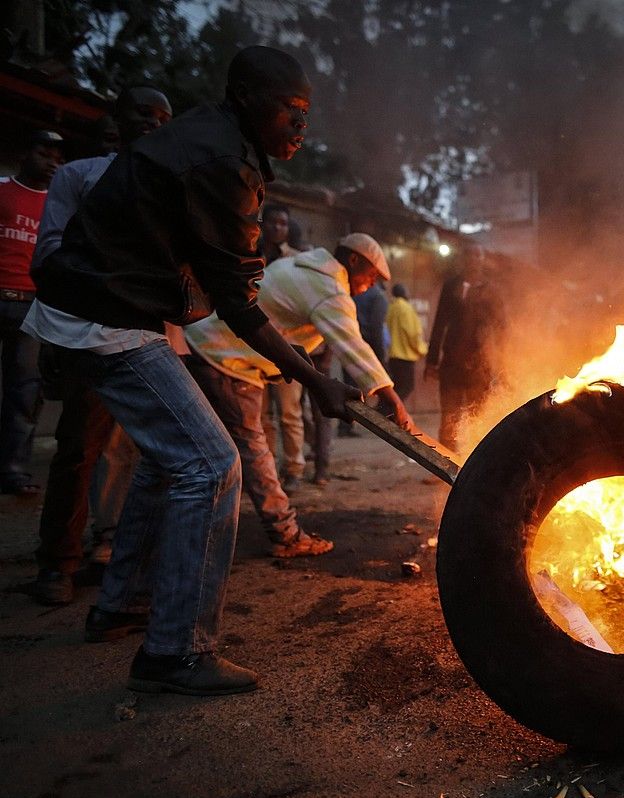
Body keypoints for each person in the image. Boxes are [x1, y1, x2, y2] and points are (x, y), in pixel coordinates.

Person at [25, 46, 359, 695]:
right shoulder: (219, 158)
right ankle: (176, 650)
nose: (300, 127)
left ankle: (122, 601)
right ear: (246, 99)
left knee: (164, 461)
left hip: (121, 306)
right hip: (106, 310)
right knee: (212, 464)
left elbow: (222, 278)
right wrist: (315, 378)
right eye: (290, 111)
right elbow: (237, 301)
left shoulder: (216, 143)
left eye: (305, 115)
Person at [30, 86, 174, 606]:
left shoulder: (172, 188)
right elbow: (48, 257)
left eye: (163, 116)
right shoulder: (80, 177)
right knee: (79, 448)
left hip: (153, 339)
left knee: (139, 454)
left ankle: (113, 548)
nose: (153, 123)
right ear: (118, 119)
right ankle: (58, 562)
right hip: (90, 333)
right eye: (143, 112)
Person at [185, 233, 411, 557]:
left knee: (190, 453)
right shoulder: (329, 287)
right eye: (371, 275)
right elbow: (354, 345)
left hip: (210, 345)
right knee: (252, 447)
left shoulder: (301, 265)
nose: (371, 284)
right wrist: (394, 401)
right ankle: (285, 534)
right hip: (225, 355)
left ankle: (129, 544)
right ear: (354, 261)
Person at [0, 130, 63, 496]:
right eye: (44, 153)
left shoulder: (59, 204)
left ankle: (12, 471)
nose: (51, 161)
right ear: (26, 154)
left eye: (57, 157)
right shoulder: (3, 187)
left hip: (31, 305)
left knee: (24, 393)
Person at [425, 244, 506, 450]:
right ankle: (445, 463)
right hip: (451, 363)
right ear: (463, 260)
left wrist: (504, 366)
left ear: (482, 259)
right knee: (449, 415)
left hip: (480, 365)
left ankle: (475, 463)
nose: (472, 259)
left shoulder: (492, 290)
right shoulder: (451, 286)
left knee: (478, 414)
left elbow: (501, 329)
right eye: (468, 255)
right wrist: (432, 361)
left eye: (477, 255)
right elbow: (439, 324)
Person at [258, 203, 305, 490]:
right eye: (273, 222)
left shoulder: (298, 261)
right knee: (261, 416)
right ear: (263, 225)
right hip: (256, 346)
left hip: (289, 347)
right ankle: (266, 470)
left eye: (283, 223)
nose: (278, 227)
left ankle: (294, 469)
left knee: (290, 412)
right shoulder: (252, 257)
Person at [338, 268, 388, 437]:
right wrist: (380, 358)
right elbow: (376, 328)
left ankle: (345, 426)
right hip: (366, 349)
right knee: (361, 390)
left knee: (349, 386)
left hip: (348, 344)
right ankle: (351, 424)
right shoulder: (378, 297)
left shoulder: (352, 292)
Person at [384, 283, 427, 401]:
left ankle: (388, 415)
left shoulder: (391, 308)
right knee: (405, 388)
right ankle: (389, 415)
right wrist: (423, 349)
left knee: (395, 390)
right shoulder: (406, 309)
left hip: (393, 358)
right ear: (404, 293)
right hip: (405, 358)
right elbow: (413, 334)